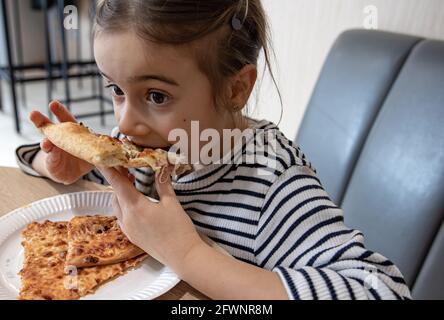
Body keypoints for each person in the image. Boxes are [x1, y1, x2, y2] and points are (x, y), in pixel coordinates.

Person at [16, 0, 410, 299]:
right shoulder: (150, 147)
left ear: (235, 88)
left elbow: (383, 290)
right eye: (117, 90)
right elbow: (49, 160)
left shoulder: (270, 183)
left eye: (156, 95)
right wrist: (56, 164)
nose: (124, 123)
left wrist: (188, 254)